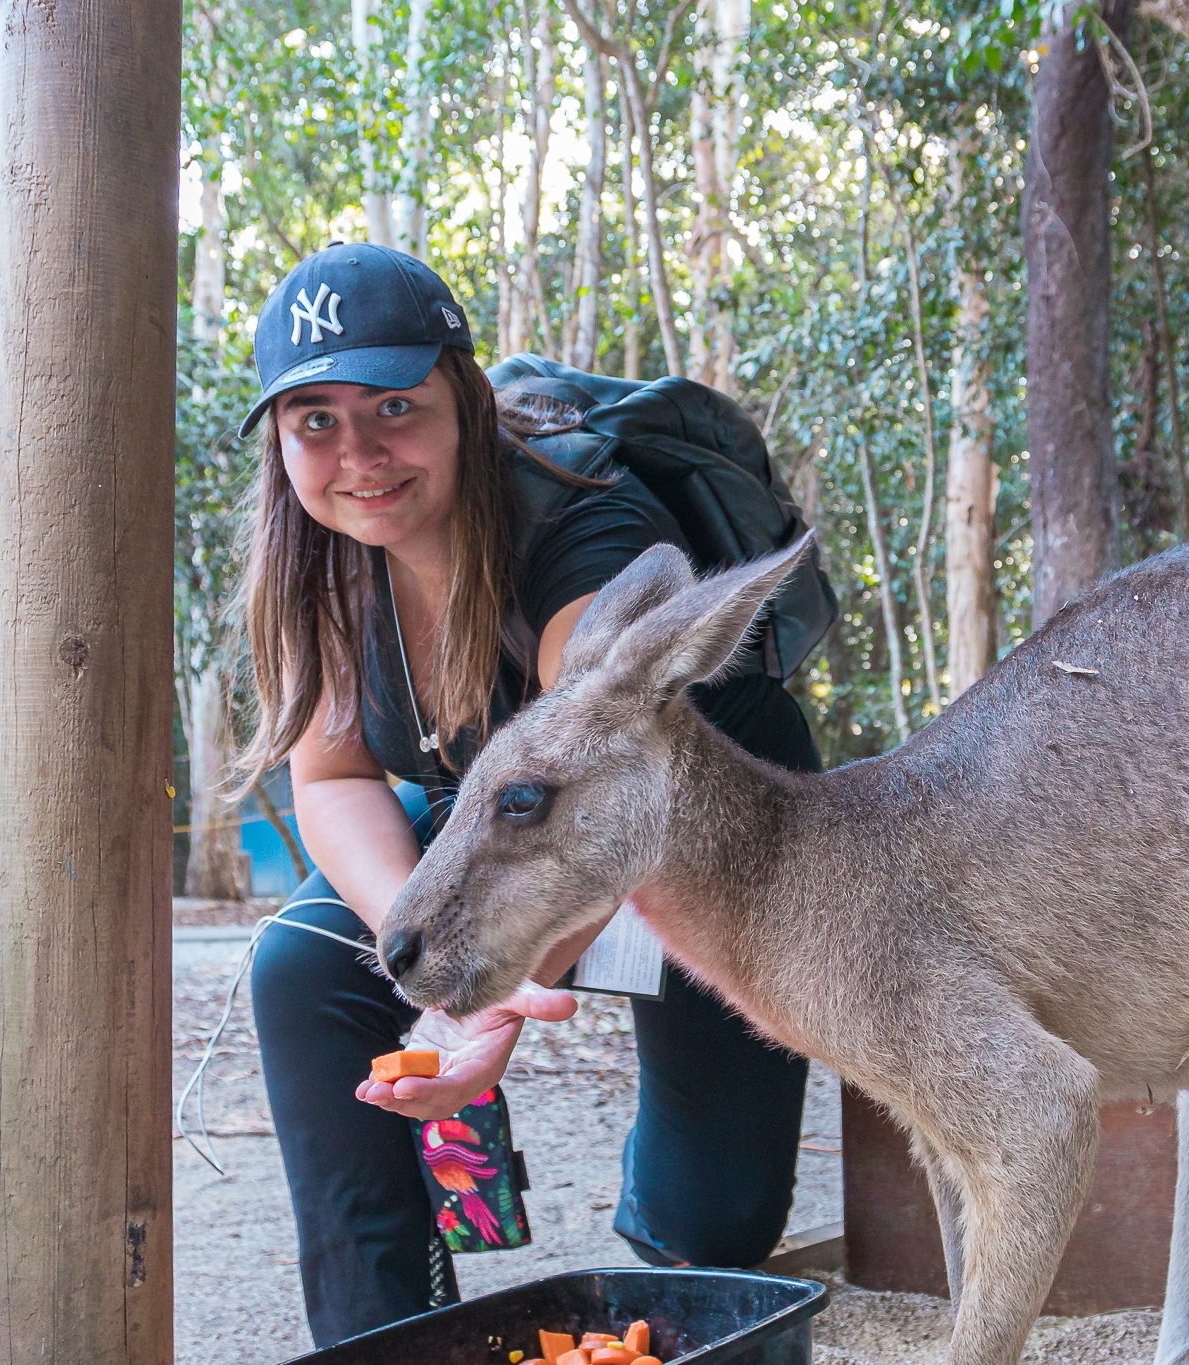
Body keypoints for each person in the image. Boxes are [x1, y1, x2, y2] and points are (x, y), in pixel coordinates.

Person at [235, 243, 819, 1347]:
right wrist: (425, 946)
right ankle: (388, 1334)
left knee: (712, 1218)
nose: (357, 454)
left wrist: (482, 986)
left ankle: (667, 1267)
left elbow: (590, 792)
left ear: (459, 398)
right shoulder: (314, 560)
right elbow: (335, 776)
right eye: (313, 420)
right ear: (279, 439)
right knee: (305, 967)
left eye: (393, 406)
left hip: (681, 814)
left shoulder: (576, 525)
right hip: (497, 808)